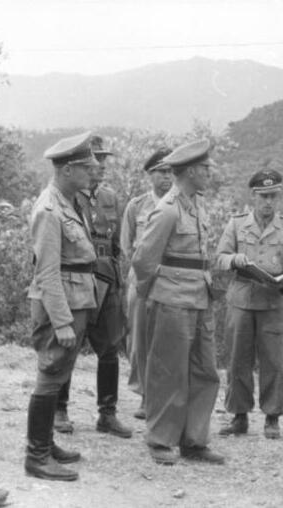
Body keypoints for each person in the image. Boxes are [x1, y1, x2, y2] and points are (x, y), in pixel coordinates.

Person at [131, 138, 225, 466]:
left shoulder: (196, 204)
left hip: (200, 298)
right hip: (171, 299)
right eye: (204, 168)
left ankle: (194, 441)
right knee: (167, 371)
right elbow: (143, 260)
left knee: (205, 371)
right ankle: (160, 439)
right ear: (188, 172)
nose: (209, 172)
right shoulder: (168, 210)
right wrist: (151, 295)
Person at [24, 131, 100, 481]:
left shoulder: (70, 201)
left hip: (76, 299)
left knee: (58, 375)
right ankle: (36, 456)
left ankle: (46, 443)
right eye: (88, 167)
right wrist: (61, 322)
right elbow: (47, 272)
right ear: (68, 169)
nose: (95, 171)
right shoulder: (50, 209)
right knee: (50, 374)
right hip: (61, 304)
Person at [52, 135, 132, 438]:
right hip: (80, 279)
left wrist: (118, 281)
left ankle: (107, 413)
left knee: (110, 347)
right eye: (96, 159)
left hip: (107, 279)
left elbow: (114, 244)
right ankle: (60, 409)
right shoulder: (70, 195)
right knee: (69, 346)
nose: (101, 165)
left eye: (104, 159)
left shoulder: (110, 197)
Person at [215, 170, 283, 439]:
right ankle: (239, 416)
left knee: (275, 361)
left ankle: (272, 417)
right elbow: (219, 257)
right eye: (264, 196)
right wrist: (235, 260)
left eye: (273, 196)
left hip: (275, 303)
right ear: (253, 196)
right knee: (237, 359)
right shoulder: (237, 224)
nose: (268, 202)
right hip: (241, 300)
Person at [120, 147, 173, 420]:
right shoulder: (137, 206)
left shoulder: (180, 205)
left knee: (165, 339)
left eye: (171, 172)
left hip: (171, 281)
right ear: (150, 175)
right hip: (141, 281)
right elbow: (127, 246)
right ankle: (143, 395)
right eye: (162, 172)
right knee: (138, 339)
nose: (167, 178)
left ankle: (162, 394)